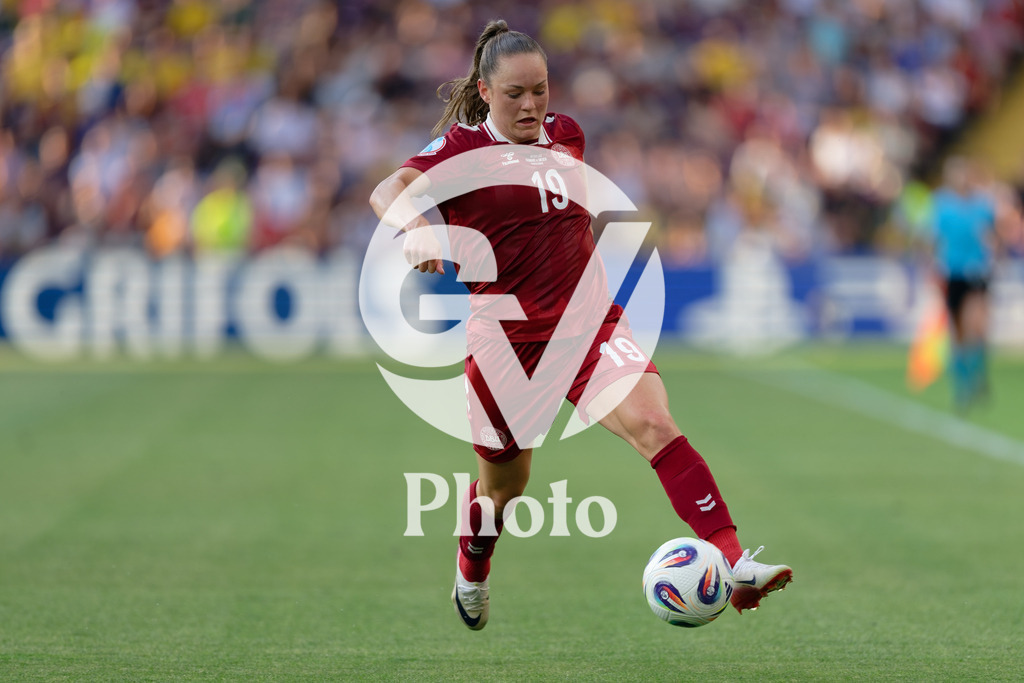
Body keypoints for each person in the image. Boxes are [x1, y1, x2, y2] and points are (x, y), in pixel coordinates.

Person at [369, 19, 792, 631]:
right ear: (486, 93)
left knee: (653, 423)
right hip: (508, 347)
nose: (532, 105)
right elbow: (389, 189)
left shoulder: (567, 137)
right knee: (503, 490)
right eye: (515, 94)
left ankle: (732, 561)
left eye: (540, 90)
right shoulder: (460, 152)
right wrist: (416, 226)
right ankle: (472, 564)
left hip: (591, 327)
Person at [929, 157, 998, 411]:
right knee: (957, 331)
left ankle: (976, 378)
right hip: (952, 272)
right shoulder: (942, 205)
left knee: (976, 326)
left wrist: (995, 257)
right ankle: (962, 383)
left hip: (977, 273)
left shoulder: (983, 205)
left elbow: (993, 236)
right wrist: (930, 266)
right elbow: (933, 239)